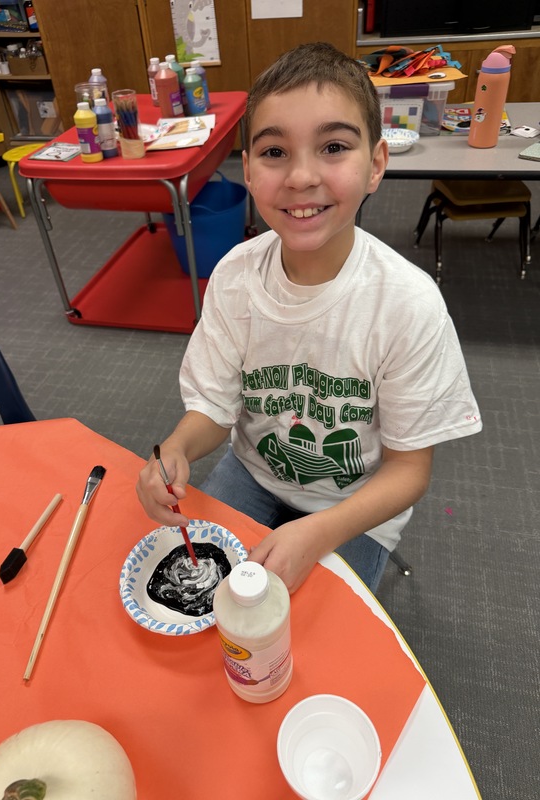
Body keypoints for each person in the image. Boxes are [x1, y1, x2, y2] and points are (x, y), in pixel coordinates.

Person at [137, 42, 482, 594]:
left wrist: (319, 531)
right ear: (247, 169)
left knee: (308, 634)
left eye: (334, 147)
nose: (300, 177)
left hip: (353, 501)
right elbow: (213, 407)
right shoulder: (234, 278)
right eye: (275, 153)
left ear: (375, 165)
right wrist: (176, 447)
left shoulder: (408, 304)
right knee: (204, 595)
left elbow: (409, 471)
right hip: (254, 470)